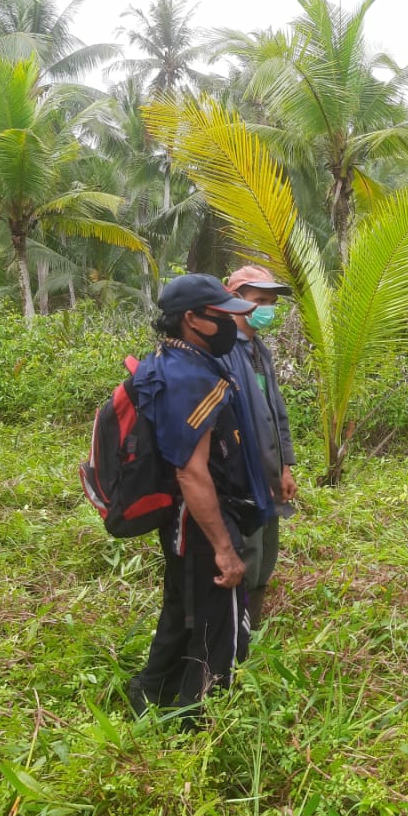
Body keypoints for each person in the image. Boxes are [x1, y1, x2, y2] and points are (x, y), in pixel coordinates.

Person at [127, 273, 276, 726]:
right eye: (222, 316)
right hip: (201, 519)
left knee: (182, 611)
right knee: (219, 628)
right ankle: (197, 722)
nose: (233, 324)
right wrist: (226, 551)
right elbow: (191, 473)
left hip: (186, 521)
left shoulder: (175, 360)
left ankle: (150, 695)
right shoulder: (188, 376)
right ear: (191, 319)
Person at [221, 264, 298, 633]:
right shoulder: (223, 353)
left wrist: (285, 468)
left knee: (266, 554)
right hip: (242, 477)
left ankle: (252, 628)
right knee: (246, 556)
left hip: (269, 474)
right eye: (259, 301)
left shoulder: (259, 350)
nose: (267, 308)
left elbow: (275, 414)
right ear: (235, 300)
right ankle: (235, 635)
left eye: (271, 301)